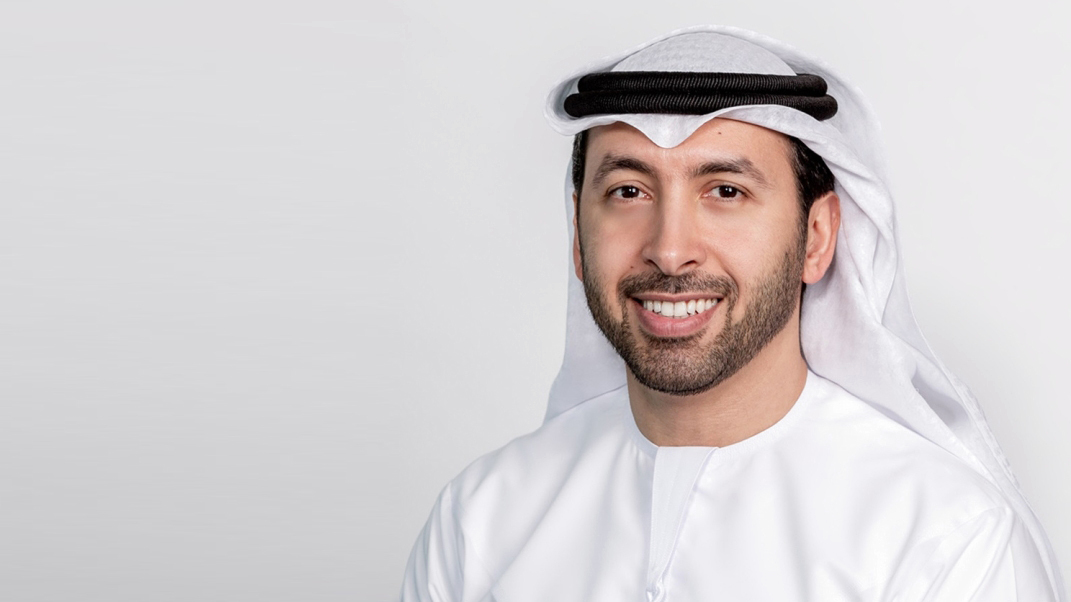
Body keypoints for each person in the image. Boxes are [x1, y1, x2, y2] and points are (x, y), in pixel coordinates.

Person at [399, 26, 1065, 601]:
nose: (669, 249)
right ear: (577, 235)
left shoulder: (943, 537)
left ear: (816, 238)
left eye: (725, 191)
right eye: (628, 191)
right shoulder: (481, 520)